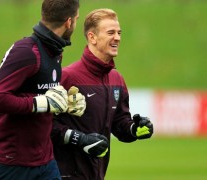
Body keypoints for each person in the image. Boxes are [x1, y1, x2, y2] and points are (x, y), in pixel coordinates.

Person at [0, 0, 81, 179]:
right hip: (10, 162)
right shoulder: (26, 51)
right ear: (69, 22)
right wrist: (40, 102)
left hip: (45, 160)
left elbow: (41, 93)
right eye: (76, 18)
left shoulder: (55, 50)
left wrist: (64, 102)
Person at [51, 8, 154, 179]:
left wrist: (134, 128)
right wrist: (79, 139)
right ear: (92, 37)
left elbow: (120, 123)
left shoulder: (117, 79)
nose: (117, 38)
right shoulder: (67, 77)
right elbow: (44, 125)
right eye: (111, 33)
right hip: (64, 175)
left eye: (119, 33)